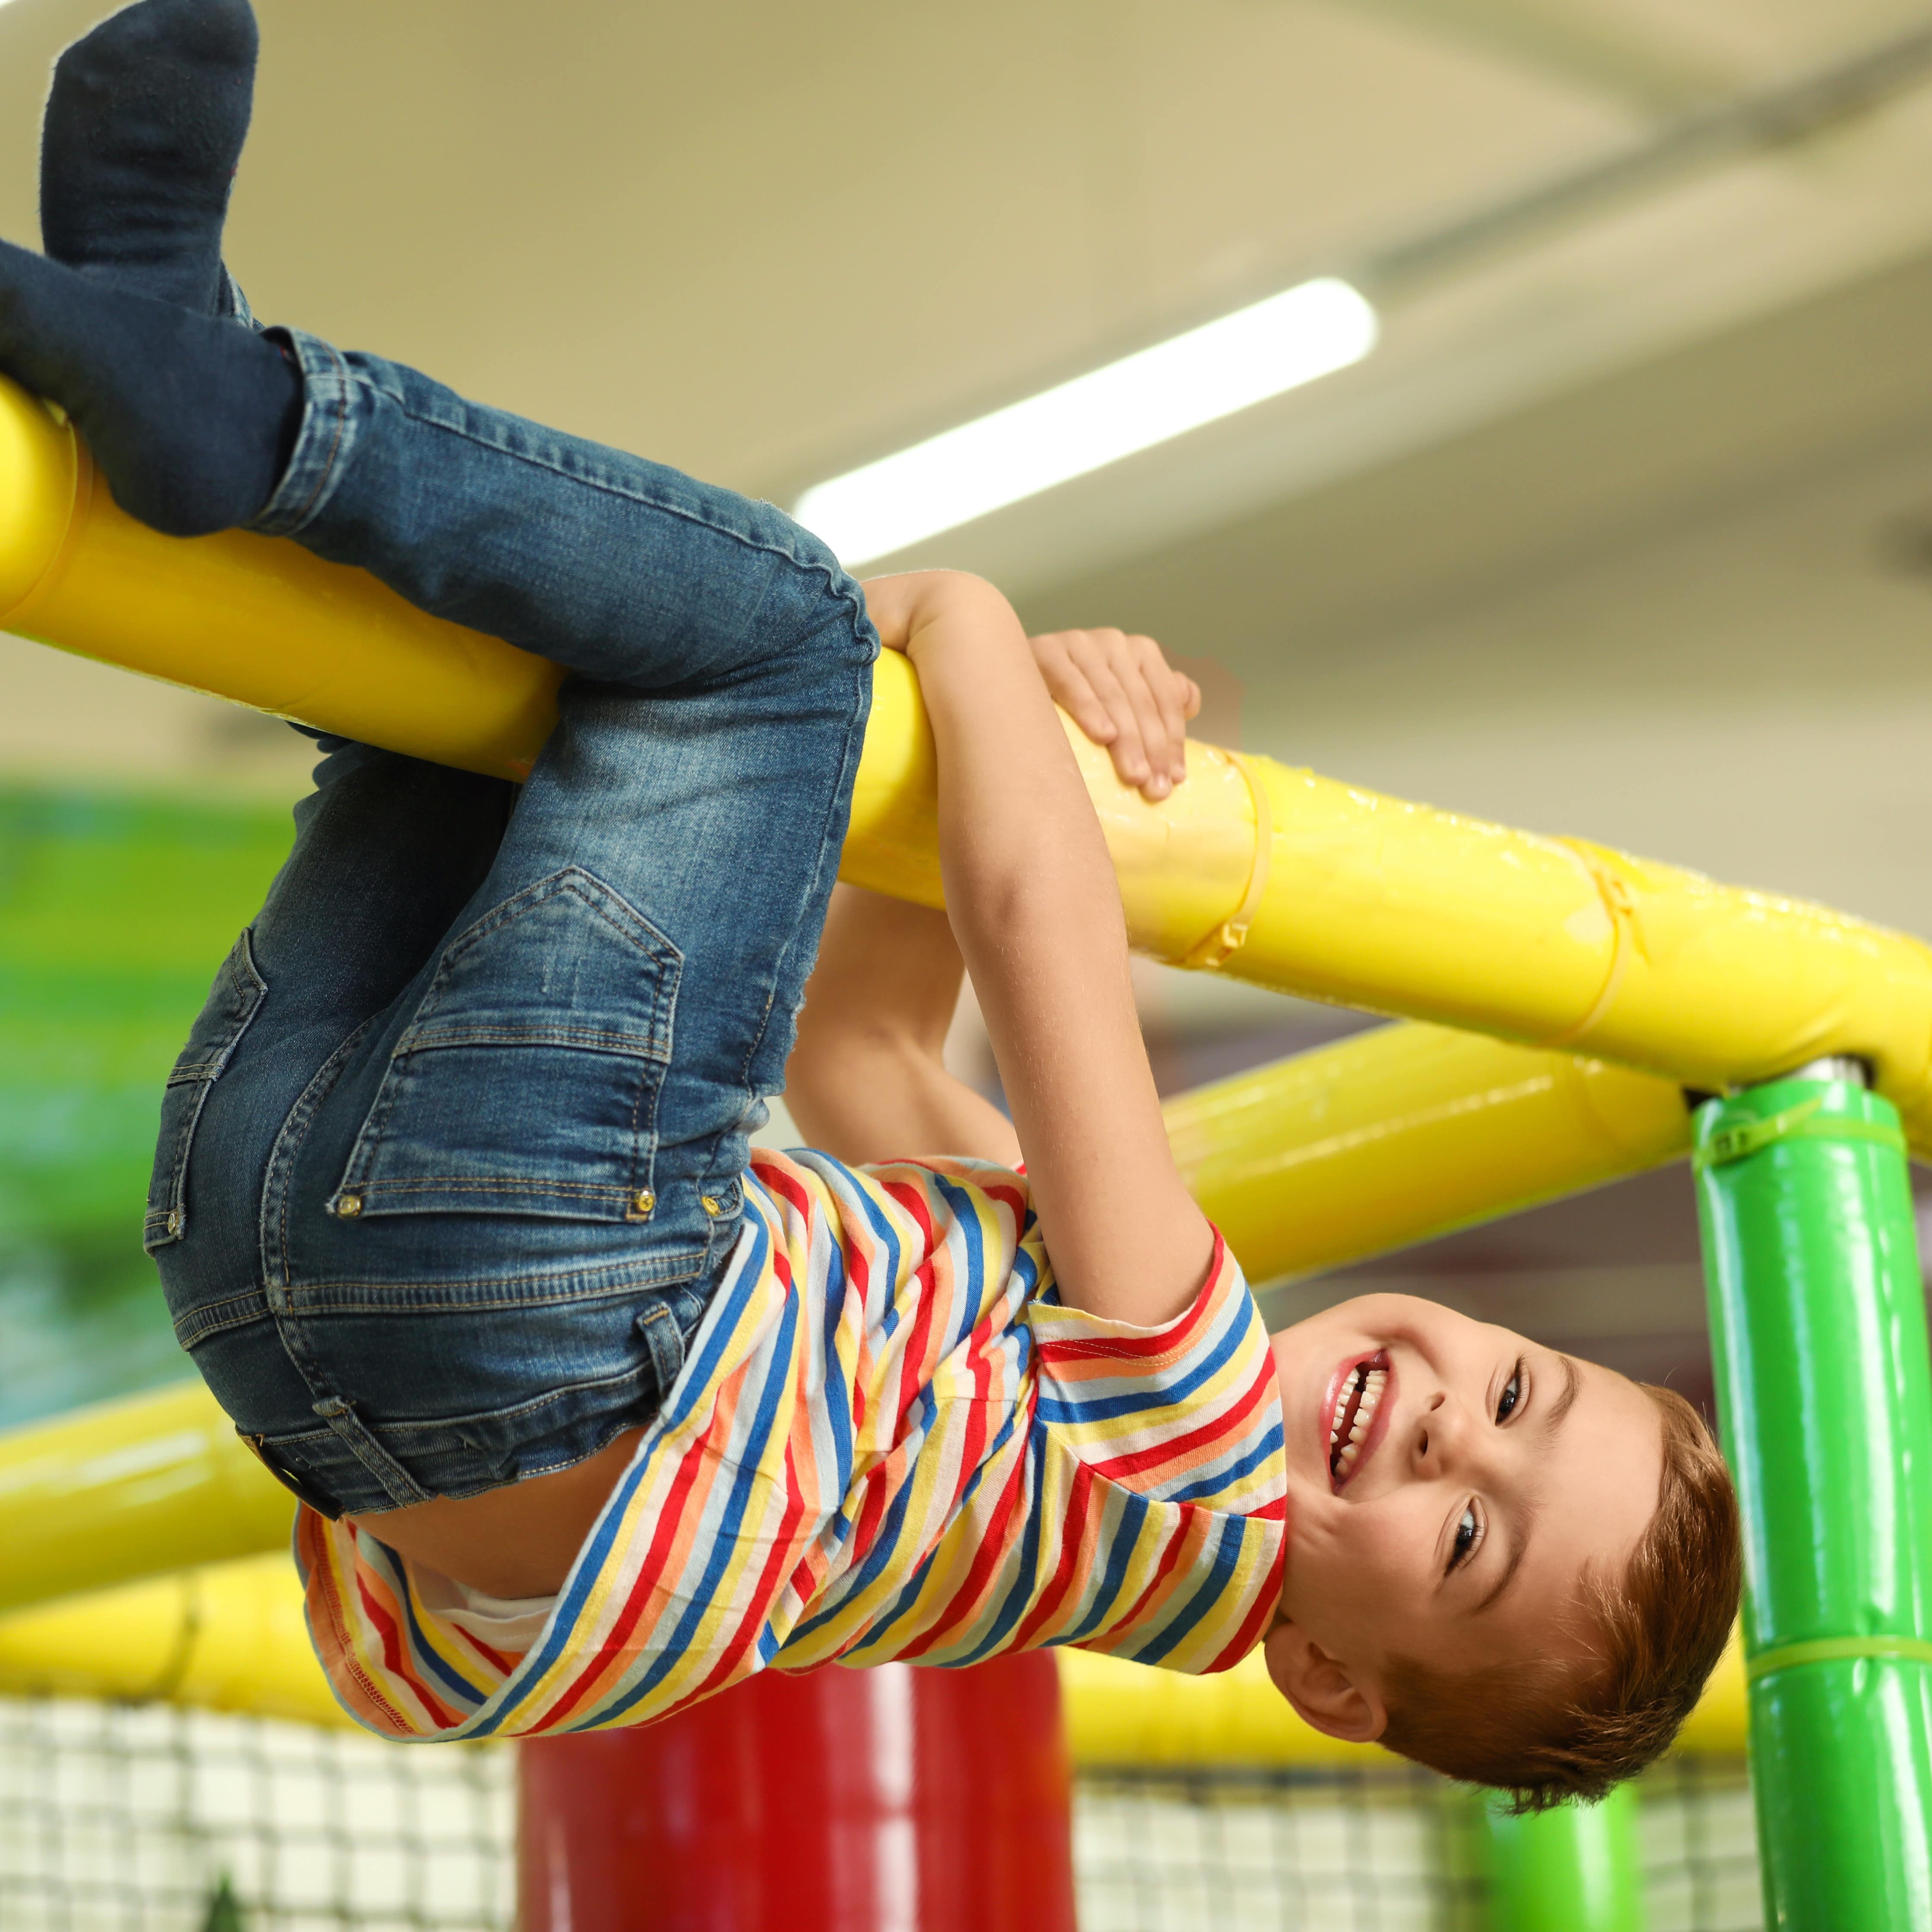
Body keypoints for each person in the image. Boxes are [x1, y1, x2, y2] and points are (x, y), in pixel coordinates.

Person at [9, 0, 1738, 1804]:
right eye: (1523, 1399)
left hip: (534, 1298)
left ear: (1320, 1676)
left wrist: (964, 628)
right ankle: (180, 381)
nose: (1454, 1434)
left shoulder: (1195, 1435)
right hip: (273, 1285)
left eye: (1469, 1543)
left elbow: (1033, 922)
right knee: (500, 723)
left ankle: (239, 414)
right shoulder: (1019, 1440)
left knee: (777, 637)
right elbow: (867, 1037)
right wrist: (1017, 727)